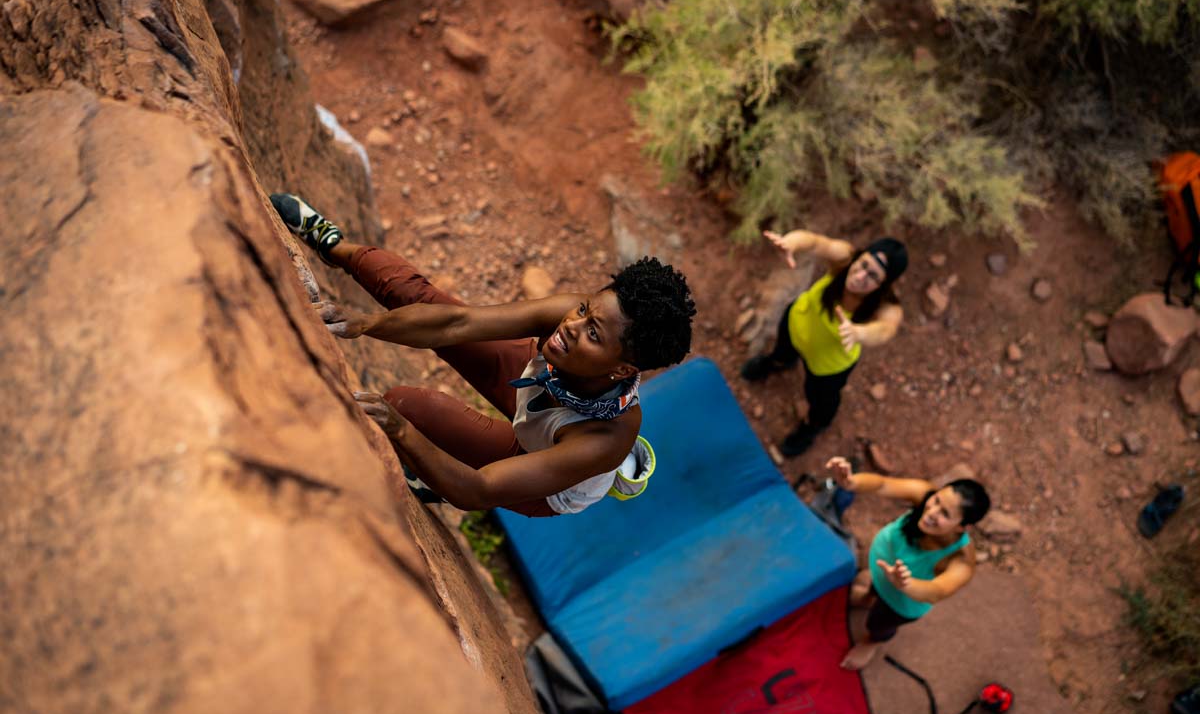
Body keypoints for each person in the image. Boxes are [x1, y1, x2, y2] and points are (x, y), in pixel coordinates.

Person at [270, 193, 696, 516]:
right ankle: (330, 242)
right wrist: (363, 324)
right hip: (538, 388)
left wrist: (401, 431)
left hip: (537, 467)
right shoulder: (568, 321)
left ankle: (429, 478)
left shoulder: (602, 440)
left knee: (407, 406)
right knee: (420, 298)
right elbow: (457, 324)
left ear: (623, 368)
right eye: (584, 310)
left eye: (593, 333)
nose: (571, 325)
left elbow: (480, 490)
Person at [741, 230, 907, 456]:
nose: (860, 277)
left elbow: (885, 329)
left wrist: (858, 332)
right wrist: (791, 243)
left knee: (821, 401)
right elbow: (817, 243)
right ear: (859, 257)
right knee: (781, 353)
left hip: (827, 365)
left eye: (873, 277)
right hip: (797, 325)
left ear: (883, 285)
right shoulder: (844, 259)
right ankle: (778, 363)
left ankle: (812, 427)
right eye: (863, 265)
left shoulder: (885, 305)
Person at [823, 456, 990, 670]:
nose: (931, 512)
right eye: (937, 500)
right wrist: (851, 482)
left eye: (945, 514)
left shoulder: (961, 561)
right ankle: (867, 598)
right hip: (884, 571)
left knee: (879, 623)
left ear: (961, 527)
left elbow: (936, 591)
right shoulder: (923, 494)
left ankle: (871, 642)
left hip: (900, 602)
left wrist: (905, 584)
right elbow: (883, 484)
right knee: (875, 585)